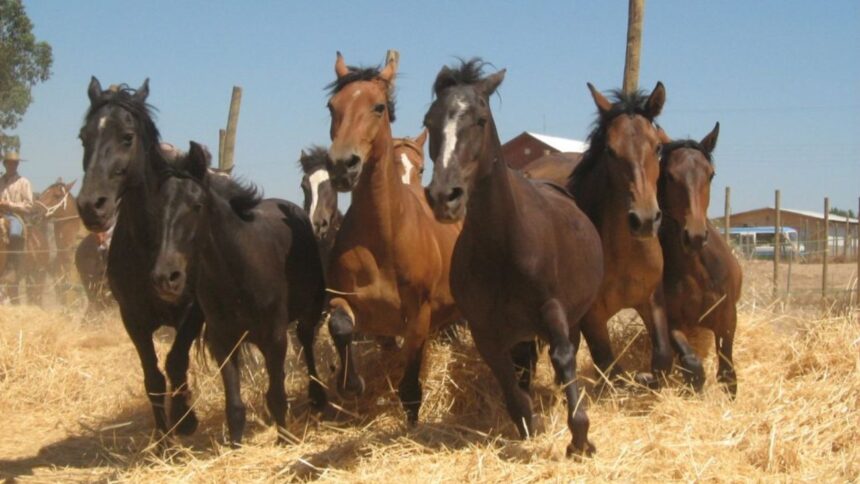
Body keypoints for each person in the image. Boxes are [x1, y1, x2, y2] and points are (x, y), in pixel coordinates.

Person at [0, 150, 34, 302]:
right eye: (9, 163)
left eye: (14, 163)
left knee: (14, 231)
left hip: (16, 216)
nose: (11, 165)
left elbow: (29, 205)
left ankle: (12, 266)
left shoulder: (24, 182)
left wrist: (10, 204)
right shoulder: (0, 181)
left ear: (17, 164)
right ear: (5, 164)